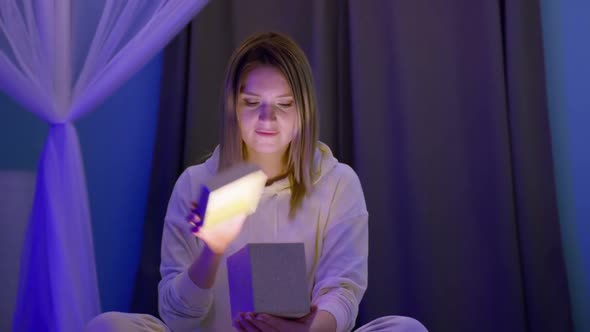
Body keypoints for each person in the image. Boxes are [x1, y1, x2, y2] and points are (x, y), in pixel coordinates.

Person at [86, 32, 427, 332]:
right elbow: (177, 319)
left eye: (284, 104)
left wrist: (309, 329)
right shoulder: (196, 184)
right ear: (233, 107)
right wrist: (212, 251)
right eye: (252, 103)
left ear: (303, 111)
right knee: (108, 326)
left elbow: (342, 292)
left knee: (407, 329)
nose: (268, 118)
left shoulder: (338, 183)